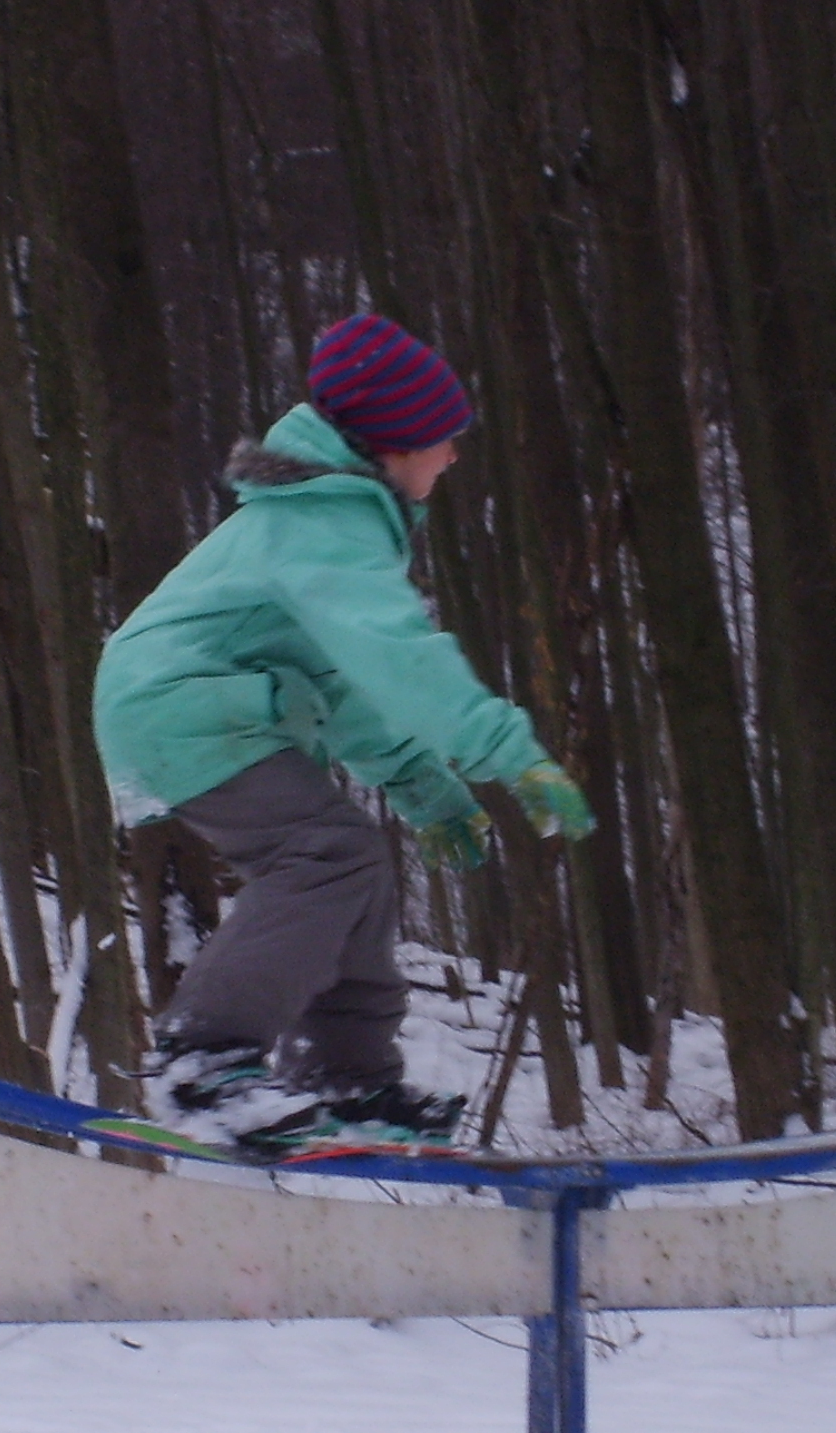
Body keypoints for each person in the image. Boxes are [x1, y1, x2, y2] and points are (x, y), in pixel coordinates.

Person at [93, 314, 596, 1150]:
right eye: (445, 440)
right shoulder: (328, 528)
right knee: (330, 856)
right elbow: (399, 657)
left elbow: (347, 689)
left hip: (202, 704)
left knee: (352, 865)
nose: (454, 458)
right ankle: (203, 1061)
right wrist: (509, 751)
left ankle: (349, 1078)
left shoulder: (327, 524)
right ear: (396, 447)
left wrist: (429, 793)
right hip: (179, 703)